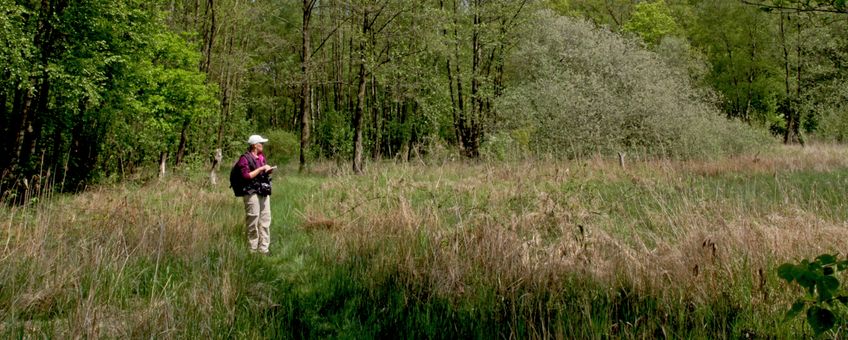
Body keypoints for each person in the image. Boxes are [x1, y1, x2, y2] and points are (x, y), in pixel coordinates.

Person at [237, 135, 275, 254]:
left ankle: (264, 249)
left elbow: (261, 174)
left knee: (265, 220)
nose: (262, 145)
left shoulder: (261, 157)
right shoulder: (244, 158)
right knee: (253, 220)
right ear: (254, 145)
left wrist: (267, 170)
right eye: (261, 143)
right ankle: (252, 250)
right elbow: (246, 176)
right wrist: (260, 169)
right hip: (250, 192)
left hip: (263, 191)